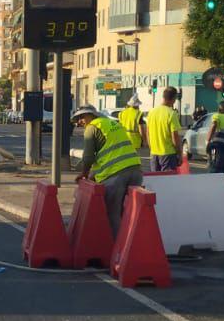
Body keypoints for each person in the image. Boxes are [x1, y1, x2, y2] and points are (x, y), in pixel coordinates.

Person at [73, 106, 145, 237]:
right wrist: (93, 175)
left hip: (116, 175)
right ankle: (133, 245)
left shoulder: (92, 127)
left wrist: (84, 174)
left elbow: (88, 157)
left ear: (91, 115)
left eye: (81, 117)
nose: (79, 121)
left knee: (113, 213)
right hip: (136, 170)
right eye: (77, 119)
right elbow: (108, 151)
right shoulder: (112, 123)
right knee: (129, 212)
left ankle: (118, 250)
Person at [147, 87, 184, 172]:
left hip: (154, 153)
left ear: (163, 97)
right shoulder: (171, 114)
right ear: (174, 99)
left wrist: (152, 148)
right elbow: (175, 137)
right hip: (168, 154)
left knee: (156, 182)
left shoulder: (152, 112)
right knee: (168, 182)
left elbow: (148, 133)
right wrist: (179, 154)